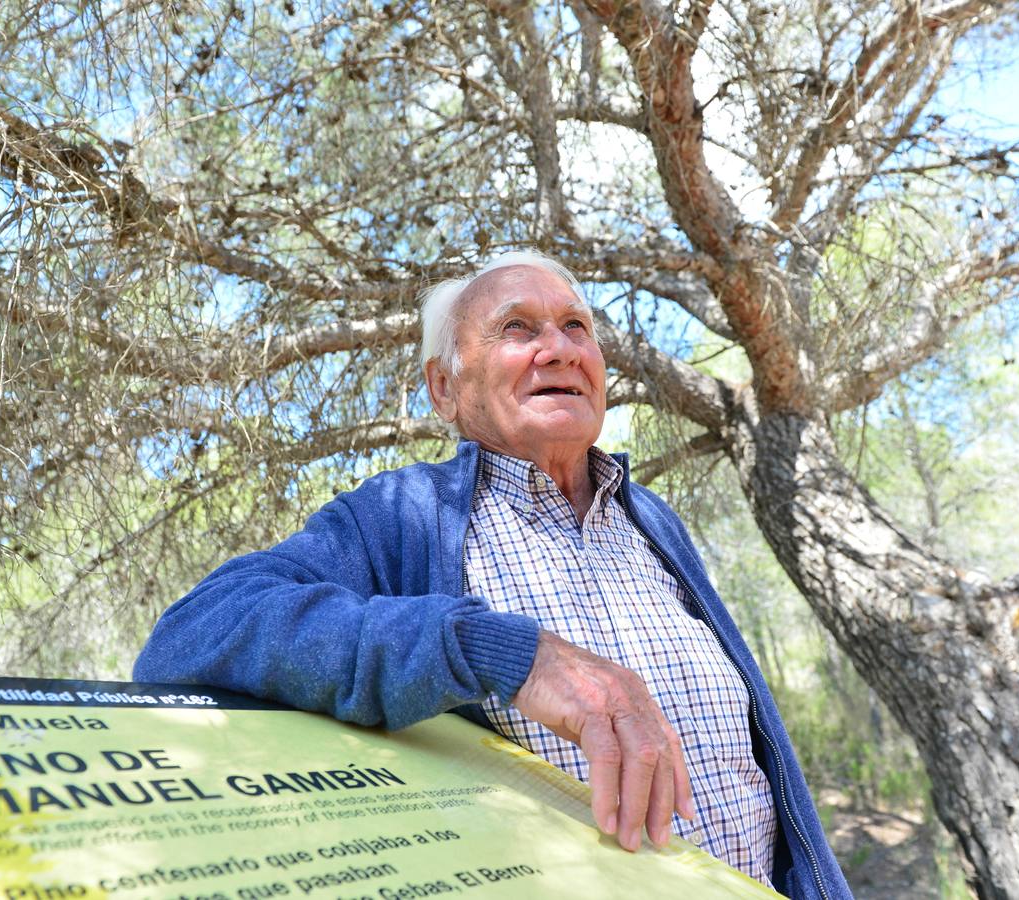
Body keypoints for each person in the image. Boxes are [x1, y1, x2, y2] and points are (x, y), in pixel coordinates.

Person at [134, 251, 851, 899]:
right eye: (518, 328)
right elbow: (189, 636)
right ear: (445, 388)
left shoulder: (654, 522)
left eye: (576, 325)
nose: (559, 349)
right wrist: (498, 652)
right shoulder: (398, 516)